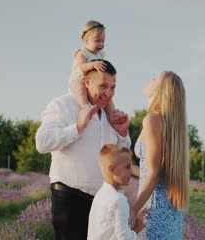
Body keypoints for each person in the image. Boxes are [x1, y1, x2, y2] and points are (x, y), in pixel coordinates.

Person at [36, 61, 131, 240]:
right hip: (71, 200)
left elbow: (121, 156)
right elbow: (42, 142)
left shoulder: (110, 115)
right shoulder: (63, 105)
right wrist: (77, 127)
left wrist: (123, 134)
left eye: (112, 88)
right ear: (86, 82)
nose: (108, 94)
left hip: (104, 202)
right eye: (103, 86)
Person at [130, 71, 190, 240]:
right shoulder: (169, 125)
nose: (151, 79)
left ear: (160, 90)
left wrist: (134, 209)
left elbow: (154, 174)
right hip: (169, 210)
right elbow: (150, 169)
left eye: (155, 78)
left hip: (153, 208)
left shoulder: (153, 119)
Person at [88, 144, 147, 240]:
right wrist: (137, 228)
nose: (131, 171)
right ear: (112, 170)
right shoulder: (118, 200)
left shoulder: (101, 194)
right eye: (127, 167)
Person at [69, 20, 115, 115]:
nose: (101, 44)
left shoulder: (100, 54)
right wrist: (93, 65)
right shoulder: (82, 53)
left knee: (106, 95)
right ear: (86, 42)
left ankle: (113, 114)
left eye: (103, 41)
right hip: (79, 81)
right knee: (81, 89)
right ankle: (86, 108)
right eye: (97, 41)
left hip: (92, 83)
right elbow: (82, 67)